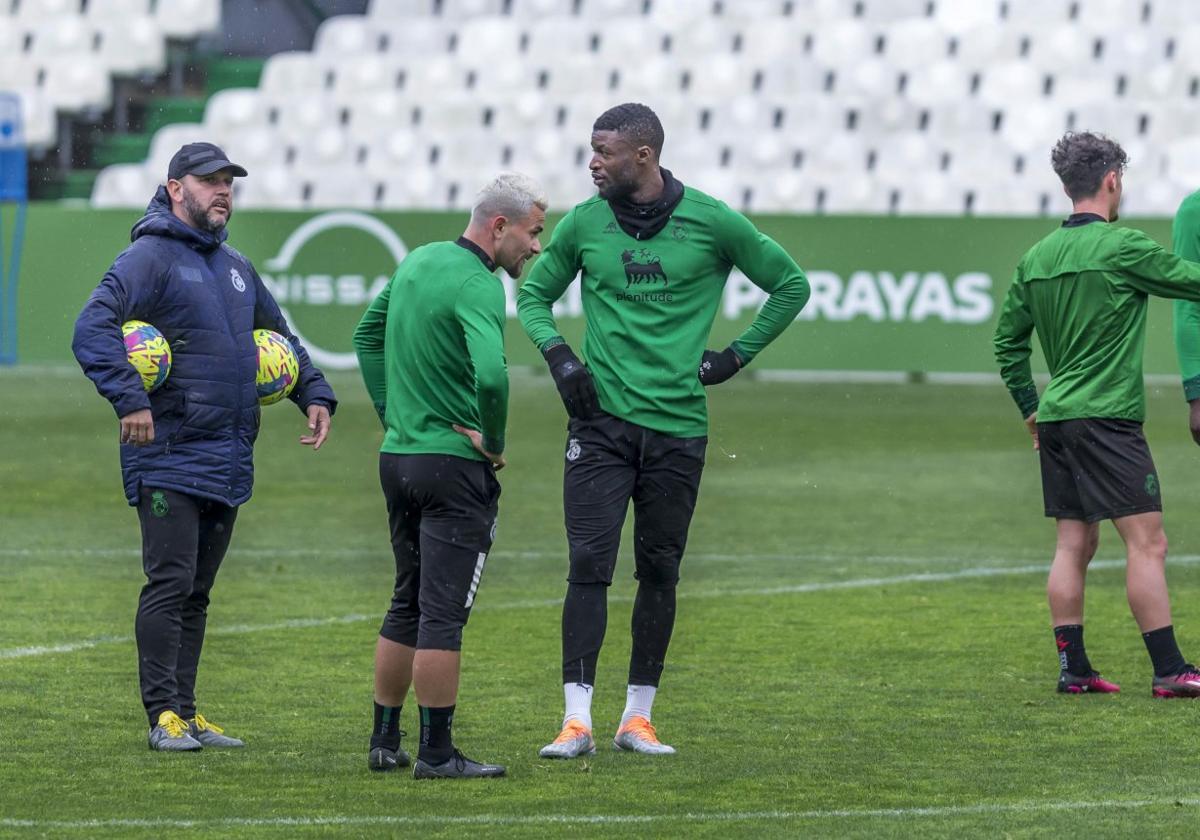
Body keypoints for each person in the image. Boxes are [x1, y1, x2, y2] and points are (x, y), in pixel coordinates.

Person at [517, 103, 810, 758]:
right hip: (600, 427)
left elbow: (790, 284)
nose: (592, 161)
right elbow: (533, 295)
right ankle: (575, 721)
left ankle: (637, 719)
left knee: (659, 569)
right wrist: (560, 356)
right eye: (591, 149)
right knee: (588, 565)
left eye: (604, 151)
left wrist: (736, 356)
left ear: (642, 155)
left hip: (678, 427)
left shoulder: (711, 220)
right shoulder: (585, 223)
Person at [72, 142, 337, 751]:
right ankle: (161, 715)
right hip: (167, 454)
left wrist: (314, 393)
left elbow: (277, 335)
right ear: (175, 188)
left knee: (196, 591)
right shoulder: (148, 258)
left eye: (228, 182)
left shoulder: (236, 265)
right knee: (169, 583)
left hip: (227, 455)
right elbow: (92, 326)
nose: (222, 191)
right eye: (209, 181)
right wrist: (130, 400)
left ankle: (187, 712)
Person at [352, 172, 546, 779]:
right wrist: (493, 441)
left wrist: (395, 417)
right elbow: (492, 376)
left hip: (399, 458)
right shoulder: (479, 284)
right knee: (442, 613)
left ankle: (385, 741)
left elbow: (365, 338)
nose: (536, 247)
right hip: (453, 467)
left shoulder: (417, 261)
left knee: (405, 598)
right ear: (499, 226)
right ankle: (437, 753)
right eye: (533, 233)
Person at [994, 131, 1200, 699]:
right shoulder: (1123, 247)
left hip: (1059, 417)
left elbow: (1007, 345)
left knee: (1073, 545)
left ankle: (1075, 669)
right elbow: (1193, 283)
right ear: (1113, 180)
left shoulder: (1035, 258)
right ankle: (1170, 668)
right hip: (1107, 417)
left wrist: (1032, 411)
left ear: (1066, 185)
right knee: (1148, 543)